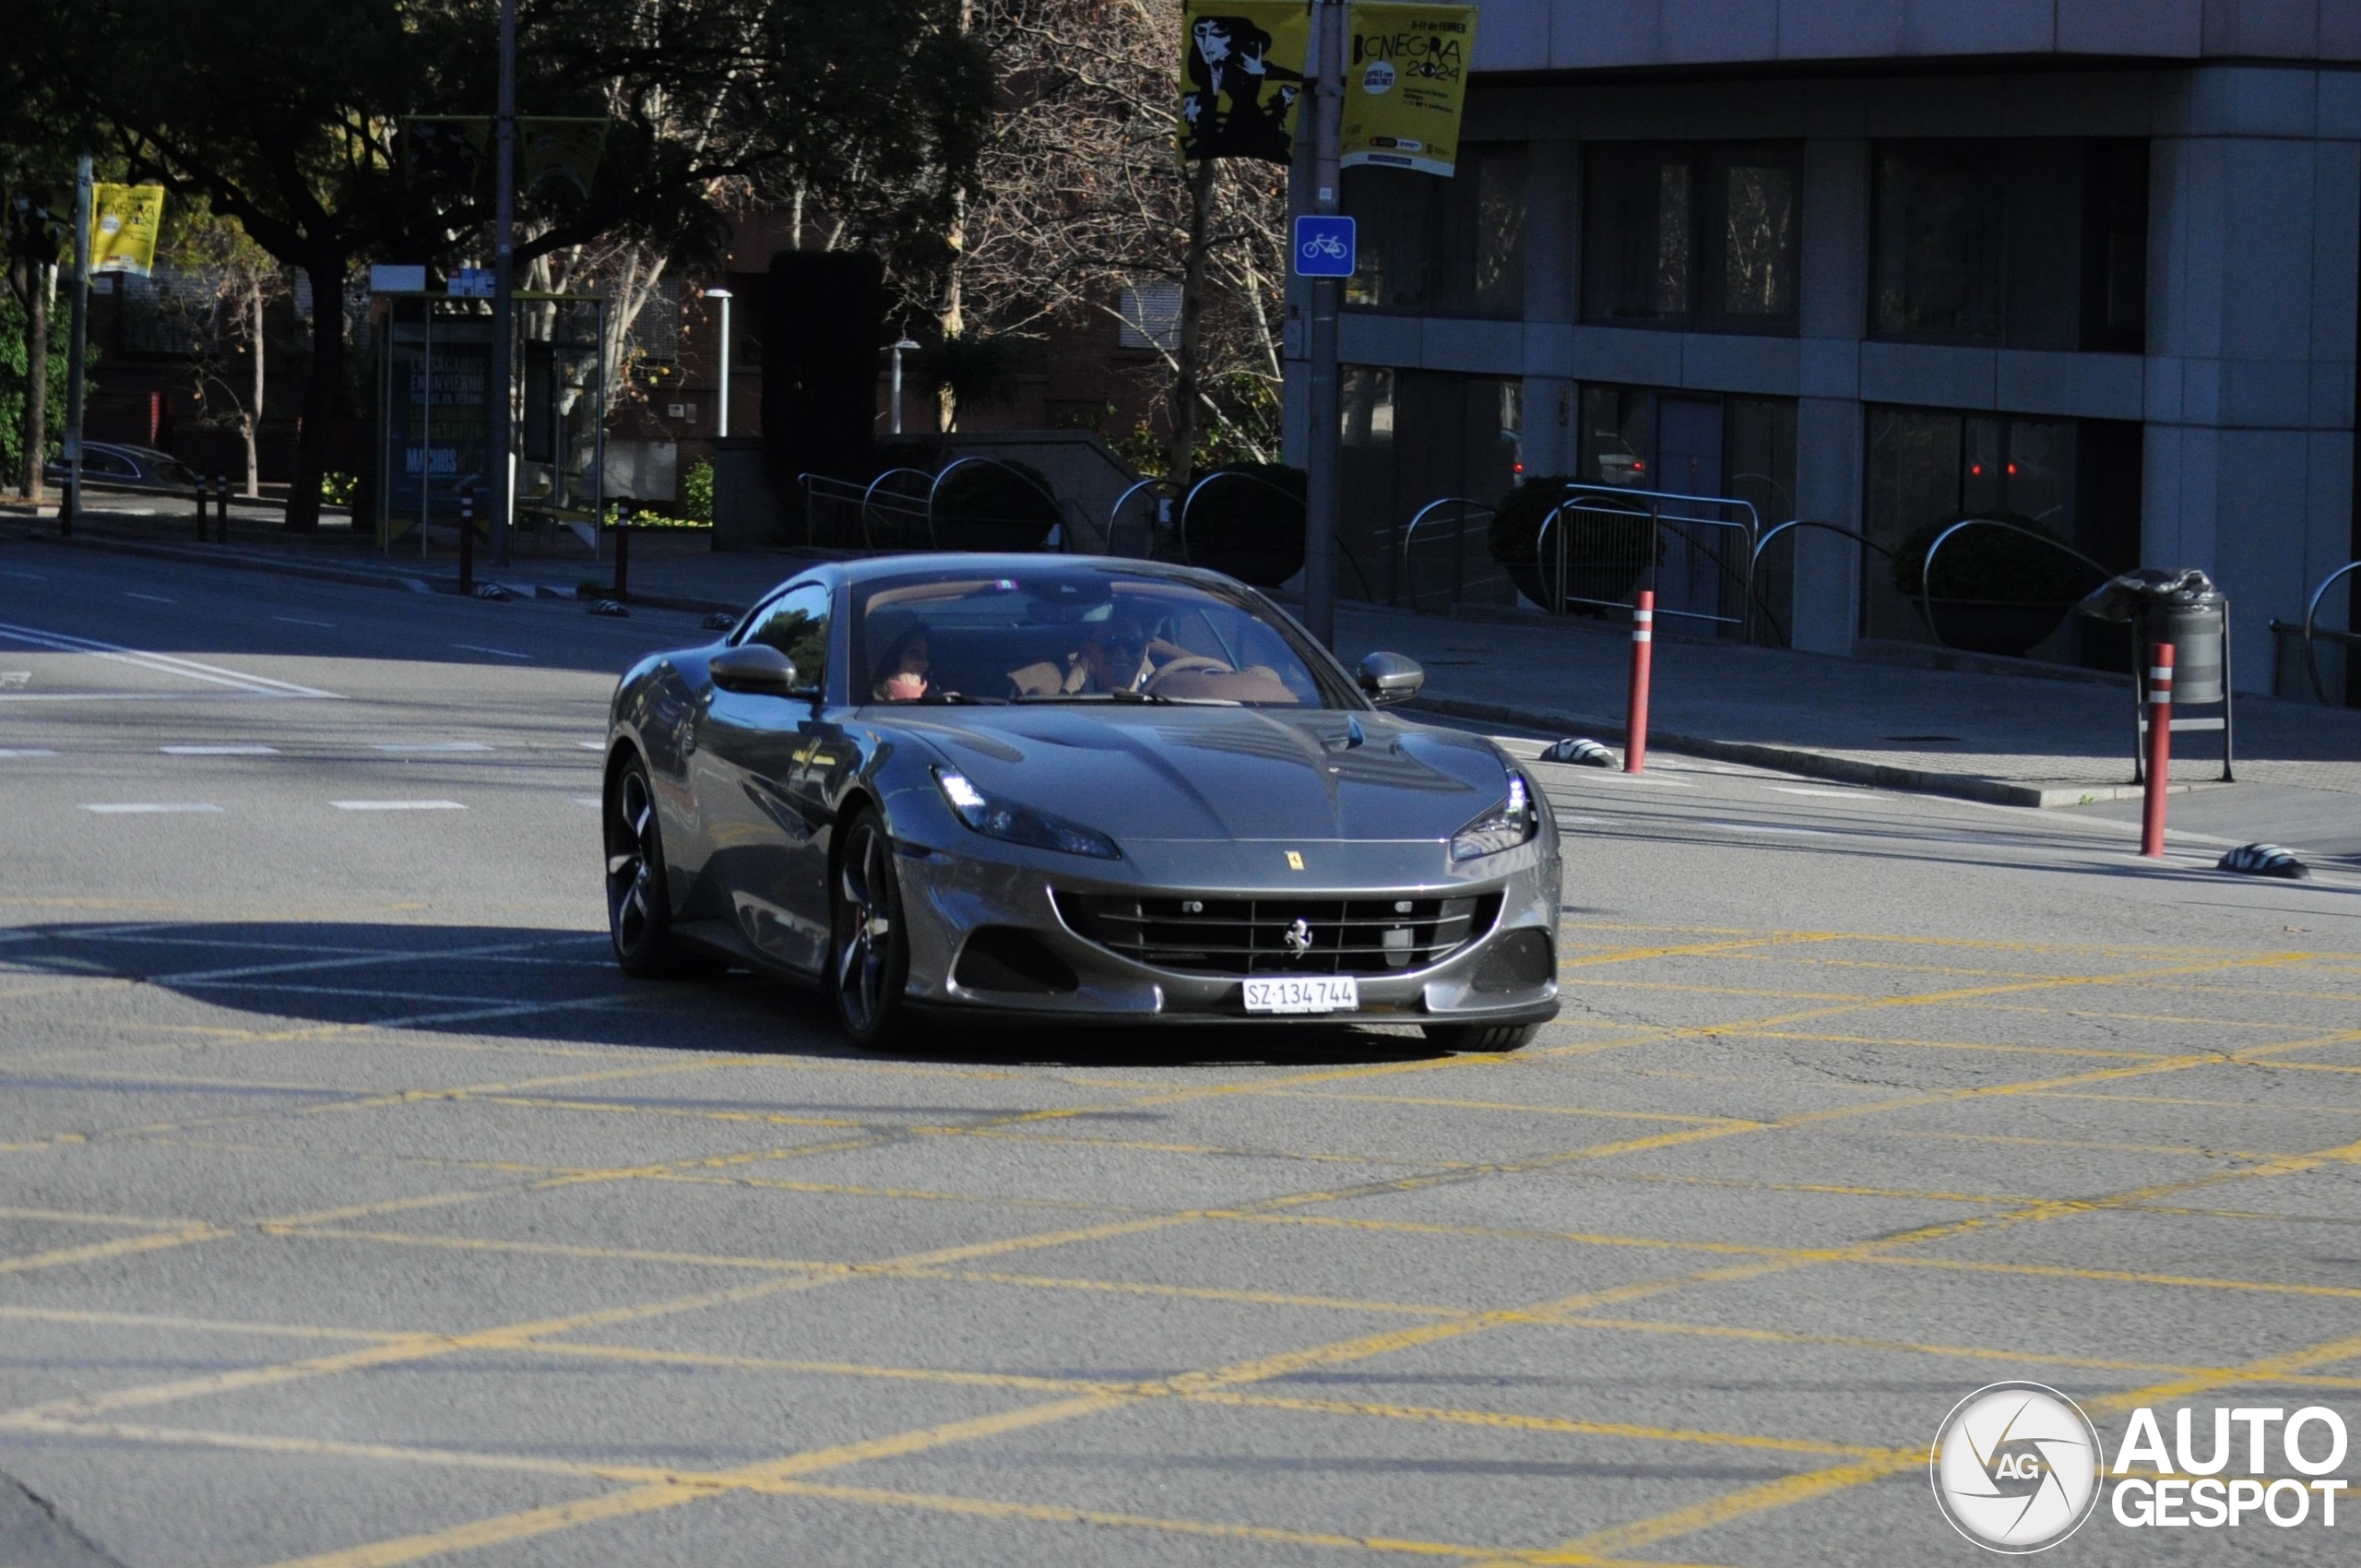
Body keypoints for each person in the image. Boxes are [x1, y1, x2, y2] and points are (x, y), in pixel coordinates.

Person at [872, 623, 931, 702]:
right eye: (914, 653)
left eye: (926, 656)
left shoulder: (936, 706)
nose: (925, 664)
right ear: (893, 657)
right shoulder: (875, 710)